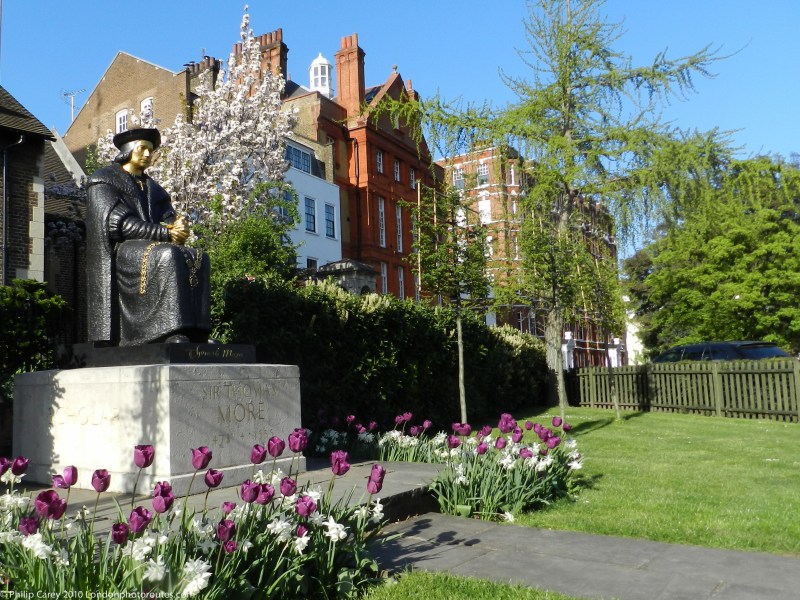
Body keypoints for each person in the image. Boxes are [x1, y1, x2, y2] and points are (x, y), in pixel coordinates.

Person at [85, 128, 211, 346]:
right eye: (142, 148)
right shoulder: (103, 181)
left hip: (151, 244)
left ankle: (196, 333)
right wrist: (165, 233)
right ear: (127, 151)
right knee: (168, 255)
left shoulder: (155, 188)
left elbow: (168, 215)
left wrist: (178, 225)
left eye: (150, 150)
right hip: (122, 249)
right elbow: (120, 224)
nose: (147, 154)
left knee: (198, 257)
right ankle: (166, 333)